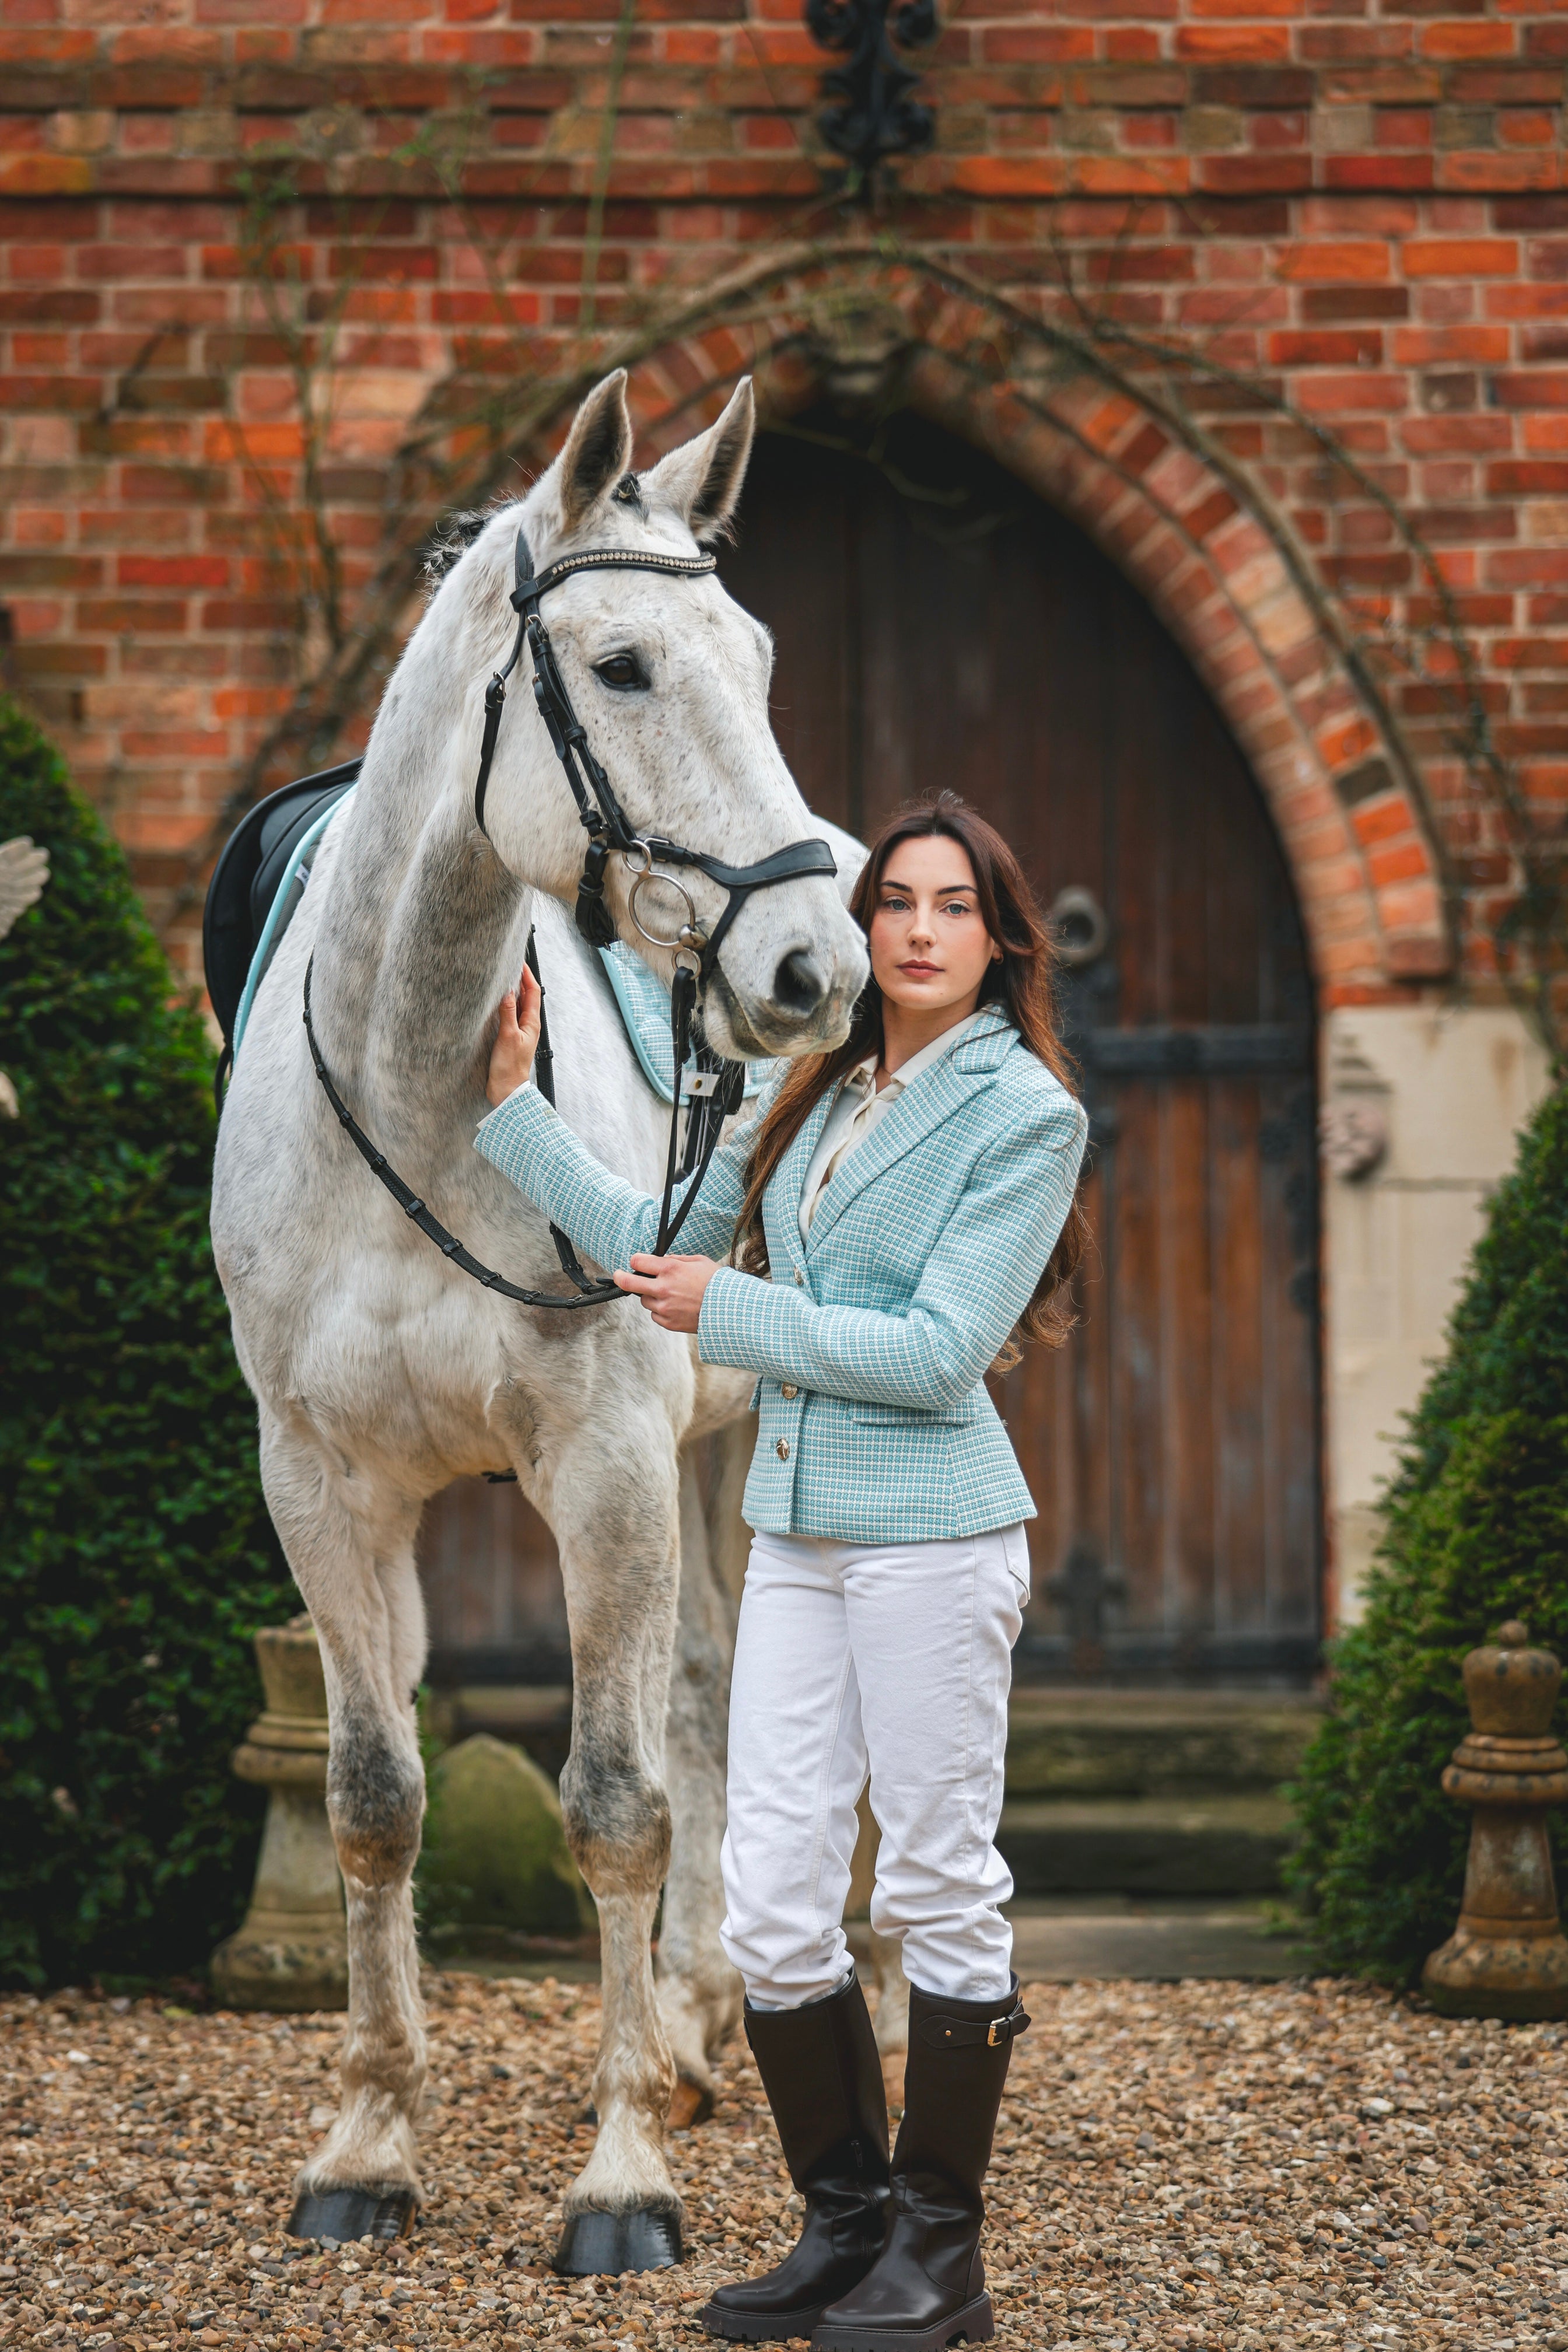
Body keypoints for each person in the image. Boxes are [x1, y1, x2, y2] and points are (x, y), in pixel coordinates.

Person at [477, 793, 1088, 2352]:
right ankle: (845, 2227)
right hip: (804, 1536)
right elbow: (655, 1237)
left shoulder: (1025, 1115)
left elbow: (946, 1351)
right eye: (896, 901)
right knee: (772, 1898)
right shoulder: (813, 1098)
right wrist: (513, 1112)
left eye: (956, 905)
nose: (920, 929)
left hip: (936, 1535)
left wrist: (729, 1316)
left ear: (999, 938)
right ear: (865, 927)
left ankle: (940, 2258)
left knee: (942, 1878)